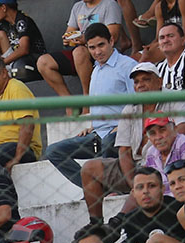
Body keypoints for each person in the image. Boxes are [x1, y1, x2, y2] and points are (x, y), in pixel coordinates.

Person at [78, 62, 185, 224]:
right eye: (137, 82)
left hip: (164, 163)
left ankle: (118, 223)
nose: (141, 85)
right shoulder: (129, 108)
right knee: (90, 168)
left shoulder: (174, 97)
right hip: (134, 165)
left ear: (159, 81)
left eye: (146, 80)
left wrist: (159, 144)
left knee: (145, 179)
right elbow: (124, 150)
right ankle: (95, 224)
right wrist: (133, 182)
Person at [42, 23, 136, 188]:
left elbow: (137, 104)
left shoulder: (127, 66)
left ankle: (109, 188)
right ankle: (94, 188)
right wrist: (93, 126)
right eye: (92, 47)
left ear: (111, 41)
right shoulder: (96, 70)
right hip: (98, 134)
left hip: (122, 133)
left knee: (108, 143)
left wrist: (121, 126)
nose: (97, 52)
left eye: (101, 45)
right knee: (54, 152)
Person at [38, 0, 126, 102]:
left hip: (101, 54)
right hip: (79, 54)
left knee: (79, 52)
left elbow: (113, 35)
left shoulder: (109, 4)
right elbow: (70, 31)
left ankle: (88, 100)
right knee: (43, 62)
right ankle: (69, 102)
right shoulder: (77, 7)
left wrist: (84, 39)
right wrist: (68, 38)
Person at [0, 55, 42, 169]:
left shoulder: (16, 88)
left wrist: (17, 158)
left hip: (19, 147)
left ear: (4, 73)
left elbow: (27, 126)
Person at [0, 0, 47, 83]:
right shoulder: (1, 23)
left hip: (32, 63)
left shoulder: (22, 21)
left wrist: (1, 63)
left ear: (4, 7)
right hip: (13, 61)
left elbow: (24, 49)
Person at [142, 115, 185, 193]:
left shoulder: (184, 143)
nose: (158, 137)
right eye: (152, 133)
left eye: (162, 130)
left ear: (175, 130)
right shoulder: (151, 152)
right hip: (165, 200)